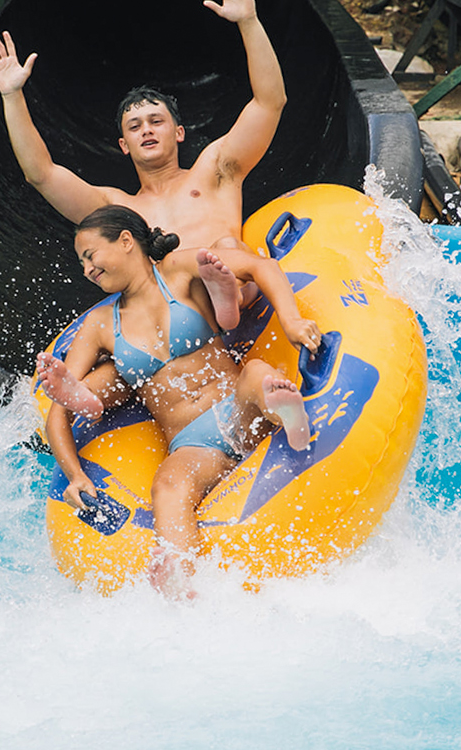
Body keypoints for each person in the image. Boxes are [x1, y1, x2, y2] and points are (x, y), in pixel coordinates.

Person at [0, 0, 287, 334]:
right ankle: (213, 300)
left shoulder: (217, 170)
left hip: (234, 288)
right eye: (135, 126)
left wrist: (249, 22)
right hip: (176, 315)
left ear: (179, 132)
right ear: (124, 146)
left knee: (224, 245)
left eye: (156, 121)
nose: (147, 130)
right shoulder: (117, 211)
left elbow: (269, 103)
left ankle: (228, 295)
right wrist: (12, 95)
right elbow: (41, 174)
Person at [36, 205, 321, 597]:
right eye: (81, 263)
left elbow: (263, 267)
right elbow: (57, 415)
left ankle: (286, 411)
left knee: (257, 375)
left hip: (236, 404)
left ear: (125, 241)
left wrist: (290, 322)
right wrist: (75, 476)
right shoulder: (100, 324)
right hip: (192, 441)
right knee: (168, 485)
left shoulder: (178, 269)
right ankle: (182, 585)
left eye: (90, 255)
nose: (86, 269)